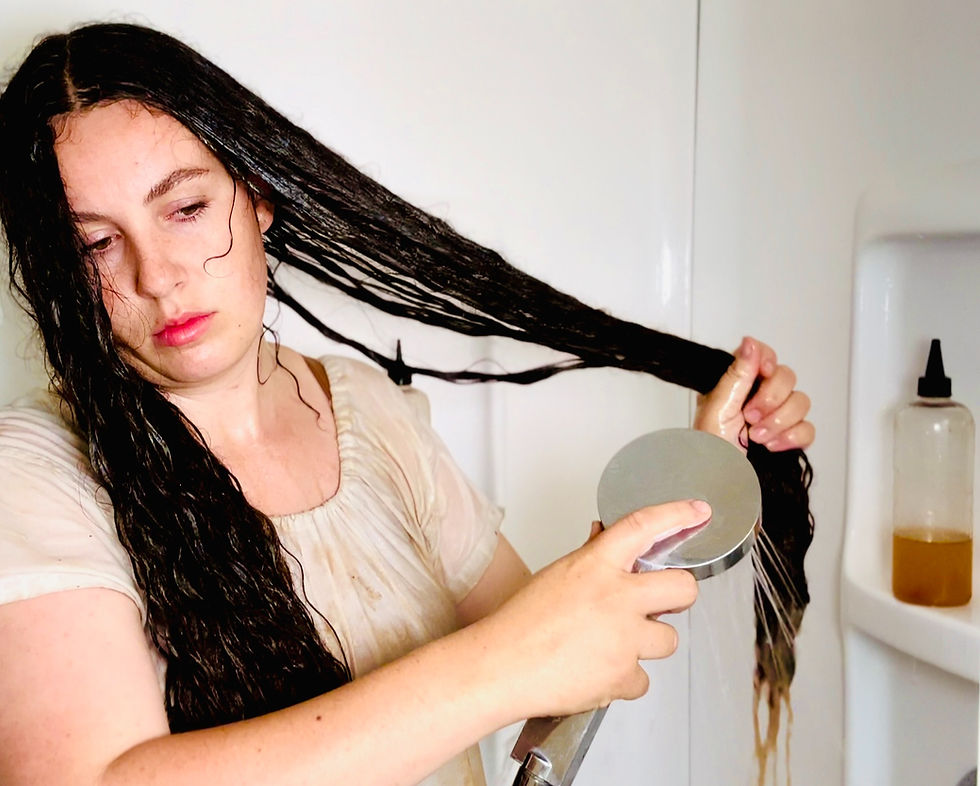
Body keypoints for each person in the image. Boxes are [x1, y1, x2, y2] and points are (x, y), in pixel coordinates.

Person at [0, 22, 814, 786]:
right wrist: (505, 662)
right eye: (94, 244)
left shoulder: (370, 413)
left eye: (185, 209)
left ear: (256, 198)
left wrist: (692, 484)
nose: (157, 274)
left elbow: (556, 669)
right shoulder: (35, 475)